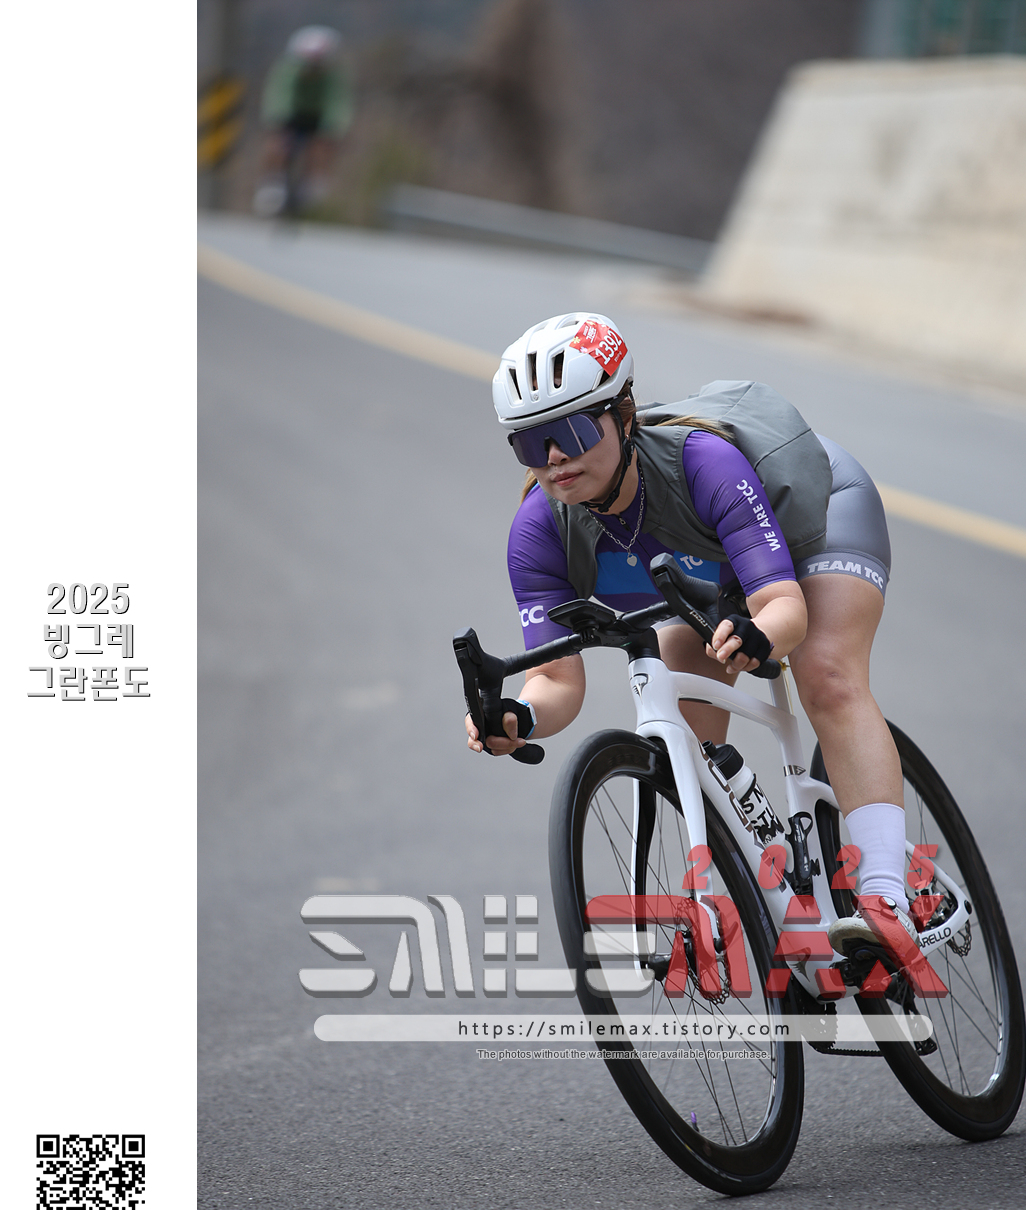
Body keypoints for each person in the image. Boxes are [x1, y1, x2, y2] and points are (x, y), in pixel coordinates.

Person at [464, 313, 917, 952]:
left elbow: (782, 608)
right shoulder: (538, 530)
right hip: (706, 570)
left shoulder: (702, 463)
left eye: (571, 431)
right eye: (532, 445)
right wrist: (521, 716)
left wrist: (761, 636)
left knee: (825, 675)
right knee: (683, 720)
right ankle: (749, 889)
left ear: (624, 415)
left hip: (812, 515)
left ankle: (886, 898)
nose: (555, 459)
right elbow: (555, 679)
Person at [254, 26, 353, 218]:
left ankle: (315, 182)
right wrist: (279, 121)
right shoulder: (288, 69)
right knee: (278, 143)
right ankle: (272, 181)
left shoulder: (334, 75)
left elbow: (338, 101)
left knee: (323, 145)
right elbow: (279, 96)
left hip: (318, 117)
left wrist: (334, 126)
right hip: (291, 114)